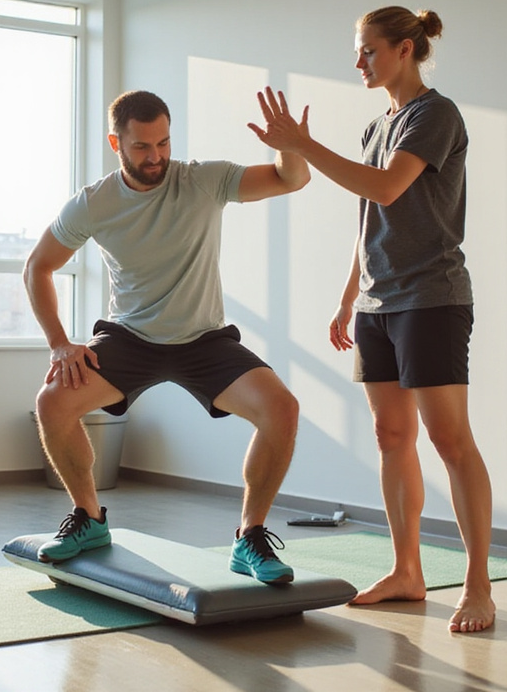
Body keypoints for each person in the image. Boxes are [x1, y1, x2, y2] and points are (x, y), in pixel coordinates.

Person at [248, 7, 496, 631]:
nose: (358, 62)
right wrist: (347, 295)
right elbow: (369, 219)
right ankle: (407, 569)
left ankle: (477, 586)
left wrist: (302, 146)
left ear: (405, 49)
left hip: (432, 299)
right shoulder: (376, 124)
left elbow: (388, 188)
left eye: (367, 51)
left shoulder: (434, 115)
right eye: (357, 53)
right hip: (377, 305)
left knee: (450, 442)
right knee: (392, 438)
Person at [23, 89, 311, 584]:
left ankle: (250, 536)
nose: (156, 157)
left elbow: (292, 177)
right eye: (142, 147)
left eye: (163, 143)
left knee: (282, 409)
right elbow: (38, 267)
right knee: (53, 402)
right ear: (116, 142)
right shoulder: (94, 203)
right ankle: (89, 520)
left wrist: (289, 144)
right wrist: (59, 342)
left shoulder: (203, 179)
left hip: (204, 339)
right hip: (129, 337)